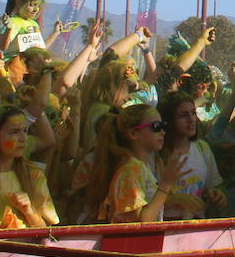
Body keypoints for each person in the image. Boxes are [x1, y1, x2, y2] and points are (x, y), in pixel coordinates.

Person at [87, 104, 187, 224]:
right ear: (134, 133)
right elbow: (140, 223)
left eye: (163, 126)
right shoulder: (131, 169)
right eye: (156, 126)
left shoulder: (139, 167)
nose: (163, 132)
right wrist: (165, 186)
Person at [157, 91, 225, 220]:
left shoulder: (202, 148)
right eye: (183, 115)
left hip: (196, 224)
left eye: (193, 113)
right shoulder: (157, 152)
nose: (191, 120)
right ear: (168, 120)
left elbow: (213, 184)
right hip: (166, 224)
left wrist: (216, 194)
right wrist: (174, 200)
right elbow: (145, 200)